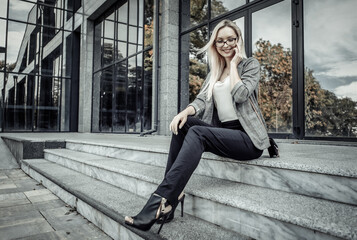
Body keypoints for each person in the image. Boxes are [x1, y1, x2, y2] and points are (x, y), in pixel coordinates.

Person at [124, 19, 270, 234]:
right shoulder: (214, 72)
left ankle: (158, 203)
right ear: (214, 44)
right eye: (220, 40)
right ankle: (170, 201)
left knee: (198, 132)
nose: (226, 44)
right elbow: (202, 100)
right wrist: (185, 112)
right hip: (225, 133)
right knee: (184, 125)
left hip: (247, 139)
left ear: (238, 41)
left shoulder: (250, 65)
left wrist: (233, 65)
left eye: (231, 39)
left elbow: (240, 95)